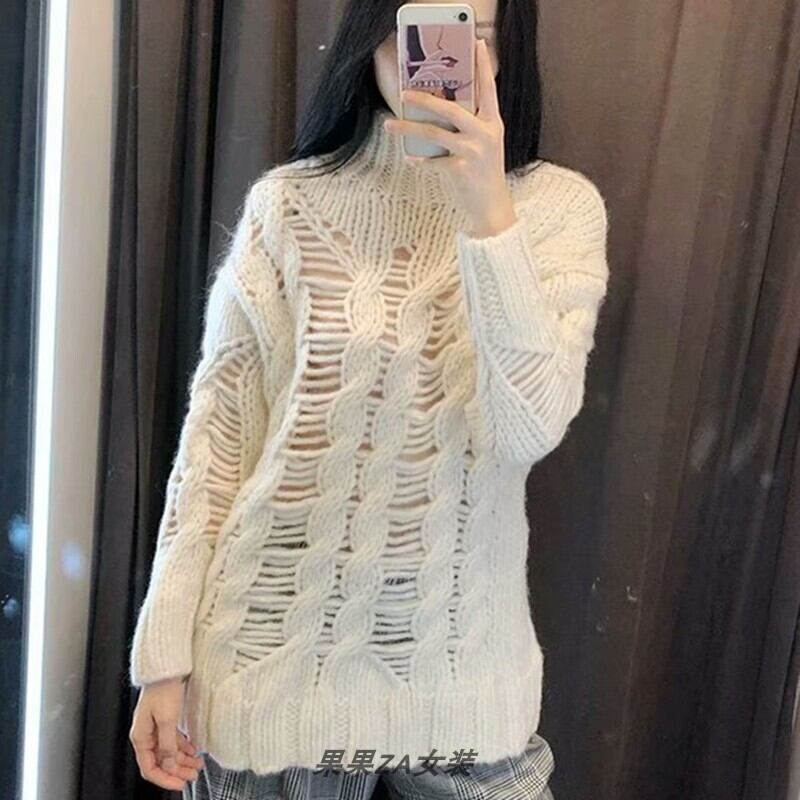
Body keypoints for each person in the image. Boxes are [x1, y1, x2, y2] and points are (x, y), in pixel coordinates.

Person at [128, 1, 610, 798]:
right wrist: (163, 656)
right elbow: (219, 440)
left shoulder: (557, 209)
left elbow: (527, 427)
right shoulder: (289, 205)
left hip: (462, 676)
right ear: (372, 38)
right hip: (274, 668)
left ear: (506, 51)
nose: (438, 62)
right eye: (417, 33)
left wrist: (488, 214)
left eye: (473, 36)